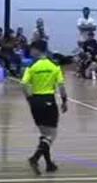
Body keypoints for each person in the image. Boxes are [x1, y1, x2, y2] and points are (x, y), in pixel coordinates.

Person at [21, 41, 67, 175]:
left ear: (37, 50)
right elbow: (61, 86)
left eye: (31, 50)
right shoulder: (54, 66)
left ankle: (48, 164)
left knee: (44, 134)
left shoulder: (32, 66)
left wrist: (30, 99)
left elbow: (23, 84)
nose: (30, 53)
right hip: (48, 100)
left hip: (35, 101)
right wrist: (64, 101)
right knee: (52, 134)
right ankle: (35, 158)